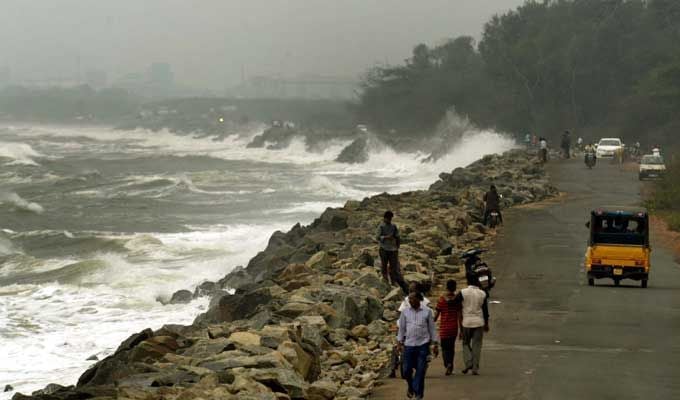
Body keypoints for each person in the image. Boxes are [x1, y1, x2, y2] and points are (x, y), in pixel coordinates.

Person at [397, 292, 439, 400]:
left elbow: (432, 328)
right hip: (409, 345)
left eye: (412, 299)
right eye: (409, 299)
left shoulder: (427, 312)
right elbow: (401, 329)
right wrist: (399, 342)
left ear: (419, 300)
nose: (410, 301)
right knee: (406, 370)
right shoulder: (405, 312)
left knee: (421, 370)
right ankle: (411, 386)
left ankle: (419, 394)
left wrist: (435, 343)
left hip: (423, 345)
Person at [452, 273, 490, 375]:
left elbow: (454, 302)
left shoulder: (463, 292)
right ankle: (475, 367)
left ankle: (468, 362)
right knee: (477, 345)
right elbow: (485, 311)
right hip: (479, 321)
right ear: (478, 282)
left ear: (467, 281)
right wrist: (486, 324)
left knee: (465, 343)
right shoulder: (482, 293)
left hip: (467, 322)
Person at [434, 280, 462, 376]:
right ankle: (451, 364)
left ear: (446, 287)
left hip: (444, 328)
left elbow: (436, 315)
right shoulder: (457, 300)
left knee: (444, 348)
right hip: (453, 327)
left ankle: (447, 364)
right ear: (455, 288)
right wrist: (461, 330)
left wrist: (430, 321)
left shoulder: (441, 300)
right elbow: (459, 315)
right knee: (451, 347)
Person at [376, 211, 408, 294]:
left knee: (393, 266)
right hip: (384, 248)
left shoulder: (393, 226)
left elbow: (397, 236)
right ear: (385, 218)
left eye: (390, 219)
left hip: (393, 249)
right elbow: (377, 237)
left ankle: (393, 281)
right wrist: (386, 237)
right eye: (388, 218)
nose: (389, 220)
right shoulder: (381, 226)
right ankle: (385, 281)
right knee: (384, 265)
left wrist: (398, 245)